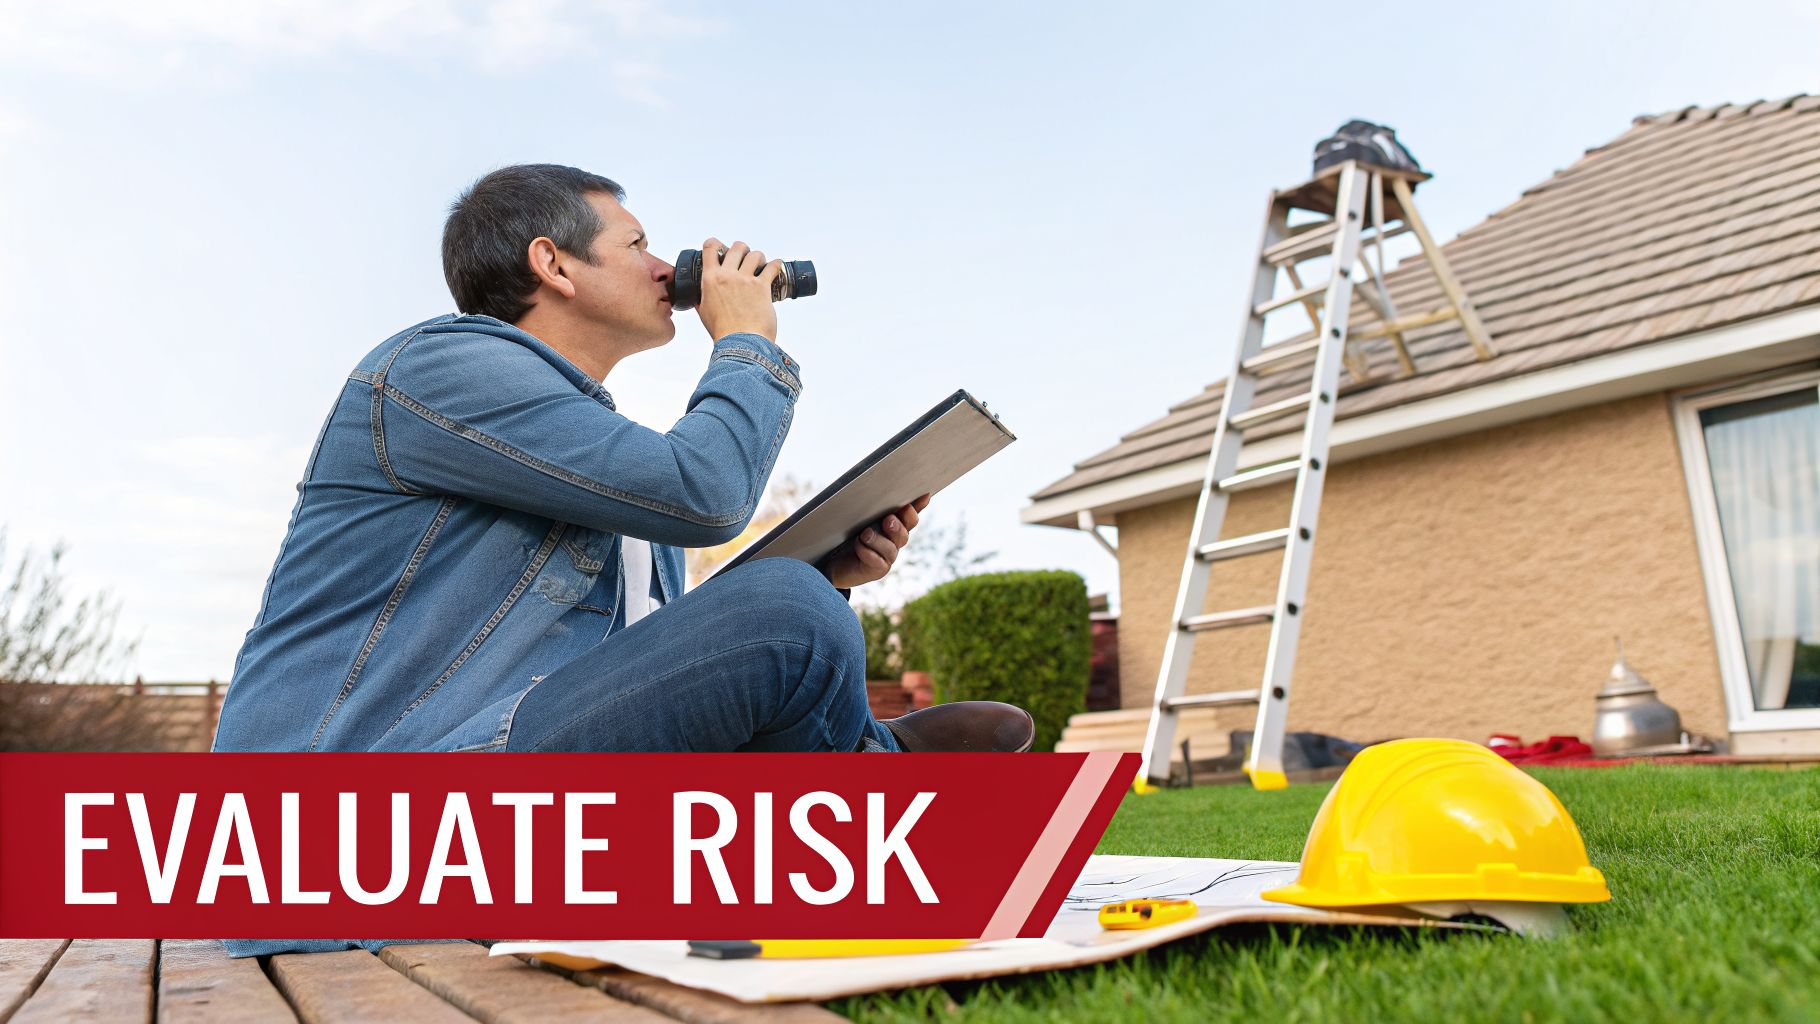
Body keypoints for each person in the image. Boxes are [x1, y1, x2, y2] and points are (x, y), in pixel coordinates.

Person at [212, 163, 1035, 762]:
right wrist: (746, 341)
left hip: (508, 772)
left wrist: (830, 574)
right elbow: (707, 495)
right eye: (638, 243)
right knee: (785, 611)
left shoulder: (605, 461)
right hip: (359, 807)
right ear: (555, 264)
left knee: (792, 602)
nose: (661, 267)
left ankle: (858, 765)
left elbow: (648, 671)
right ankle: (876, 775)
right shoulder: (437, 369)